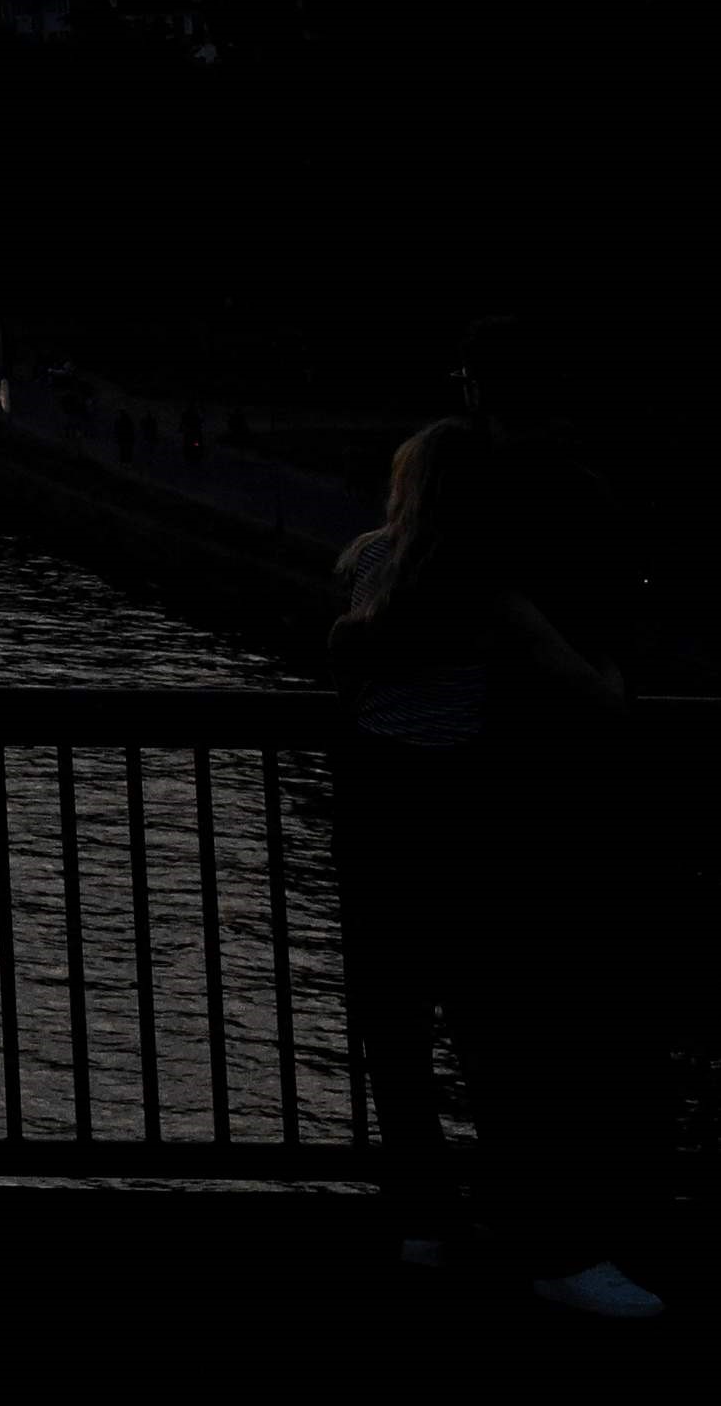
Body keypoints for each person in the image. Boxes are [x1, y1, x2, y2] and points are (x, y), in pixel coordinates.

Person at [329, 412, 659, 1320]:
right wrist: (611, 668)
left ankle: (425, 1226)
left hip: (370, 826)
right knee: (503, 1045)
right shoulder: (488, 592)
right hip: (459, 827)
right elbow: (593, 699)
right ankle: (552, 1246)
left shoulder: (363, 563)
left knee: (394, 1037)